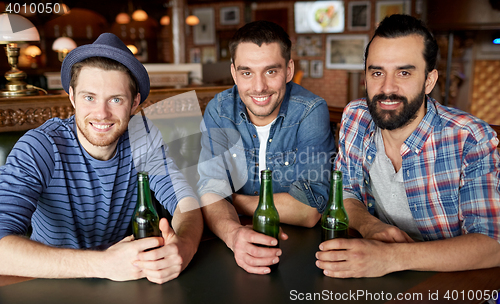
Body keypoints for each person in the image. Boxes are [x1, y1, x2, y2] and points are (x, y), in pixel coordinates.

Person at [0, 33, 203, 284]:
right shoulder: (40, 147)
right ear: (72, 97)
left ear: (134, 103)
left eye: (116, 100)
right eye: (89, 97)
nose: (102, 113)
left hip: (124, 280)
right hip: (50, 282)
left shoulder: (144, 138)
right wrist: (104, 264)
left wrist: (185, 246)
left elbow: (185, 202)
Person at [316, 14, 500, 277]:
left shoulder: (469, 138)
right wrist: (369, 226)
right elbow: (346, 190)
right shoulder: (355, 117)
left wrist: (389, 257)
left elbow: (493, 244)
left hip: (447, 284)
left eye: (404, 72)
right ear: (365, 78)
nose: (387, 88)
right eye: (377, 72)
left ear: (429, 80)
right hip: (374, 274)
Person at [197, 21, 335, 274]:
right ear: (234, 73)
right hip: (230, 246)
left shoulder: (310, 110)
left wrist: (229, 200)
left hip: (299, 253)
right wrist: (233, 235)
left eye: (271, 71)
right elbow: (208, 188)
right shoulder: (219, 110)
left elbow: (310, 210)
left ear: (289, 69)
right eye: (247, 72)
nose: (259, 86)